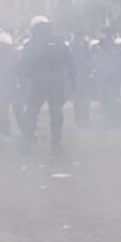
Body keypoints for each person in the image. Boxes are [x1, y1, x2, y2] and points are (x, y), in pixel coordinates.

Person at [18, 15, 75, 153]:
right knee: (56, 113)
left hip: (37, 84)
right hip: (57, 83)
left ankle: (26, 143)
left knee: (31, 113)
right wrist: (72, 83)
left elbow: (23, 67)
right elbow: (70, 63)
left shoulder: (30, 44)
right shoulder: (59, 41)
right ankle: (56, 143)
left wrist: (25, 84)